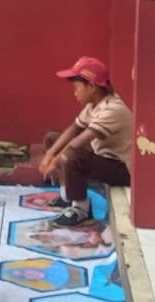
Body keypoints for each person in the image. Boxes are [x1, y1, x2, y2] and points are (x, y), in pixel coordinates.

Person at [40, 58, 132, 228]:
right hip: (104, 159)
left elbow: (79, 142)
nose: (75, 93)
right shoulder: (94, 105)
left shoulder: (113, 109)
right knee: (52, 138)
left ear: (91, 86)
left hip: (121, 169)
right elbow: (73, 129)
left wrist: (54, 162)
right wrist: (49, 154)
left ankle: (81, 210)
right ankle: (66, 196)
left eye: (77, 87)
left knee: (72, 155)